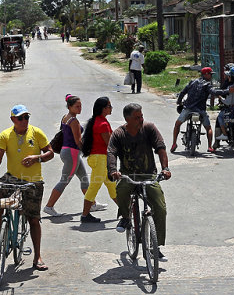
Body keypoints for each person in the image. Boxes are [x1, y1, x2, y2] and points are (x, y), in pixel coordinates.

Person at [0, 105, 54, 271]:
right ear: (13, 120)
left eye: (26, 117)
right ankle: (2, 228)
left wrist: (37, 158)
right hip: (13, 177)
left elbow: (50, 153)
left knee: (34, 219)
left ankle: (37, 257)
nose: (24, 121)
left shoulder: (36, 133)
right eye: (20, 118)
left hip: (33, 181)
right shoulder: (5, 135)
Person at [107, 103, 171, 259]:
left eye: (141, 116)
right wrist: (113, 171)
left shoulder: (149, 128)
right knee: (121, 190)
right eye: (137, 117)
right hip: (128, 175)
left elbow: (160, 147)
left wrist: (165, 168)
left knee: (160, 207)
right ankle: (126, 218)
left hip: (148, 175)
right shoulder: (118, 134)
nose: (141, 119)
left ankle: (156, 245)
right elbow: (111, 152)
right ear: (127, 119)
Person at [42, 95, 105, 222]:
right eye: (77, 106)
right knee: (64, 180)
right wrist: (89, 151)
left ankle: (92, 204)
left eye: (80, 106)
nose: (80, 108)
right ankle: (49, 206)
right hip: (72, 153)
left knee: (84, 178)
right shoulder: (74, 121)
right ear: (70, 107)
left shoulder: (65, 117)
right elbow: (78, 141)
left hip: (68, 152)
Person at [80, 97, 117, 222]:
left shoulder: (98, 121)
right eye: (110, 106)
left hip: (100, 159)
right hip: (101, 159)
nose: (111, 108)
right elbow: (110, 143)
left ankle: (126, 211)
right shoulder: (102, 123)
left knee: (112, 186)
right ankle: (85, 215)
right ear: (104, 108)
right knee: (94, 187)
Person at [170, 66, 217, 154]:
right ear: (206, 74)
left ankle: (174, 144)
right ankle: (210, 147)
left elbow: (183, 92)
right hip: (201, 110)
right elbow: (214, 92)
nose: (211, 76)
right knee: (208, 127)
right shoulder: (208, 85)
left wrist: (179, 102)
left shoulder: (192, 82)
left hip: (188, 108)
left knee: (177, 124)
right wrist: (227, 91)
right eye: (210, 74)